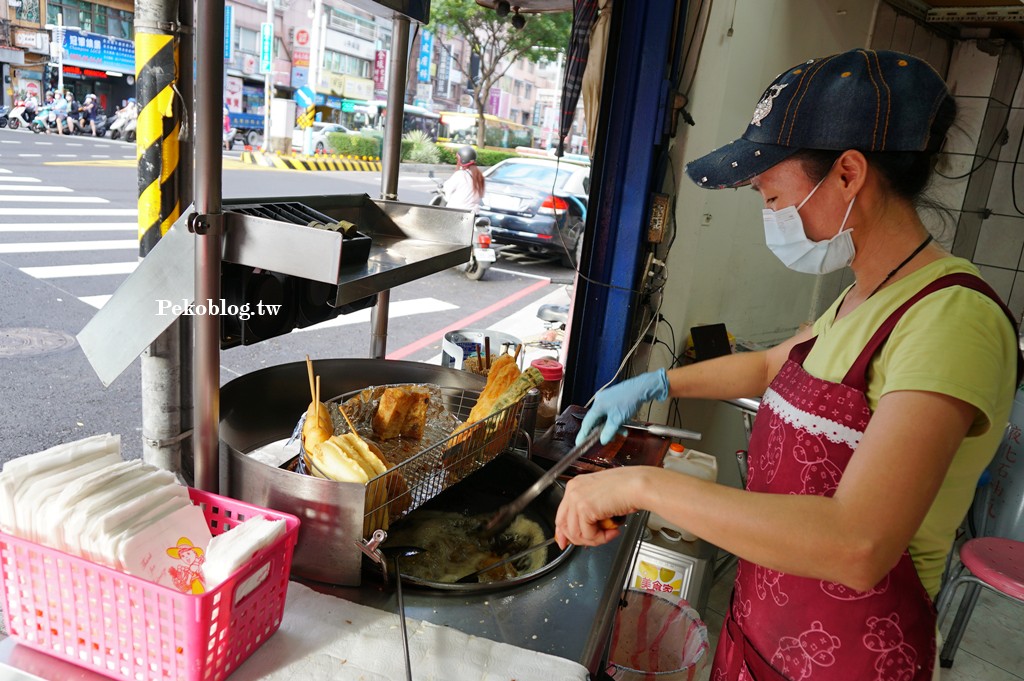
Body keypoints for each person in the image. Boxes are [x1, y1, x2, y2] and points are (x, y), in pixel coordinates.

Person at [556, 48, 1022, 681]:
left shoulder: (951, 321)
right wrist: (654, 383)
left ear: (849, 173)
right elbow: (773, 367)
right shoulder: (863, 295)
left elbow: (858, 544)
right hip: (764, 633)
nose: (769, 214)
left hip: (851, 660)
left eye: (771, 195)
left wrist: (639, 484)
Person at [442, 145, 485, 211]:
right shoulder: (479, 177)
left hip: (456, 213)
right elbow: (481, 196)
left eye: (458, 159)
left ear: (462, 160)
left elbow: (447, 189)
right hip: (474, 213)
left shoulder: (460, 174)